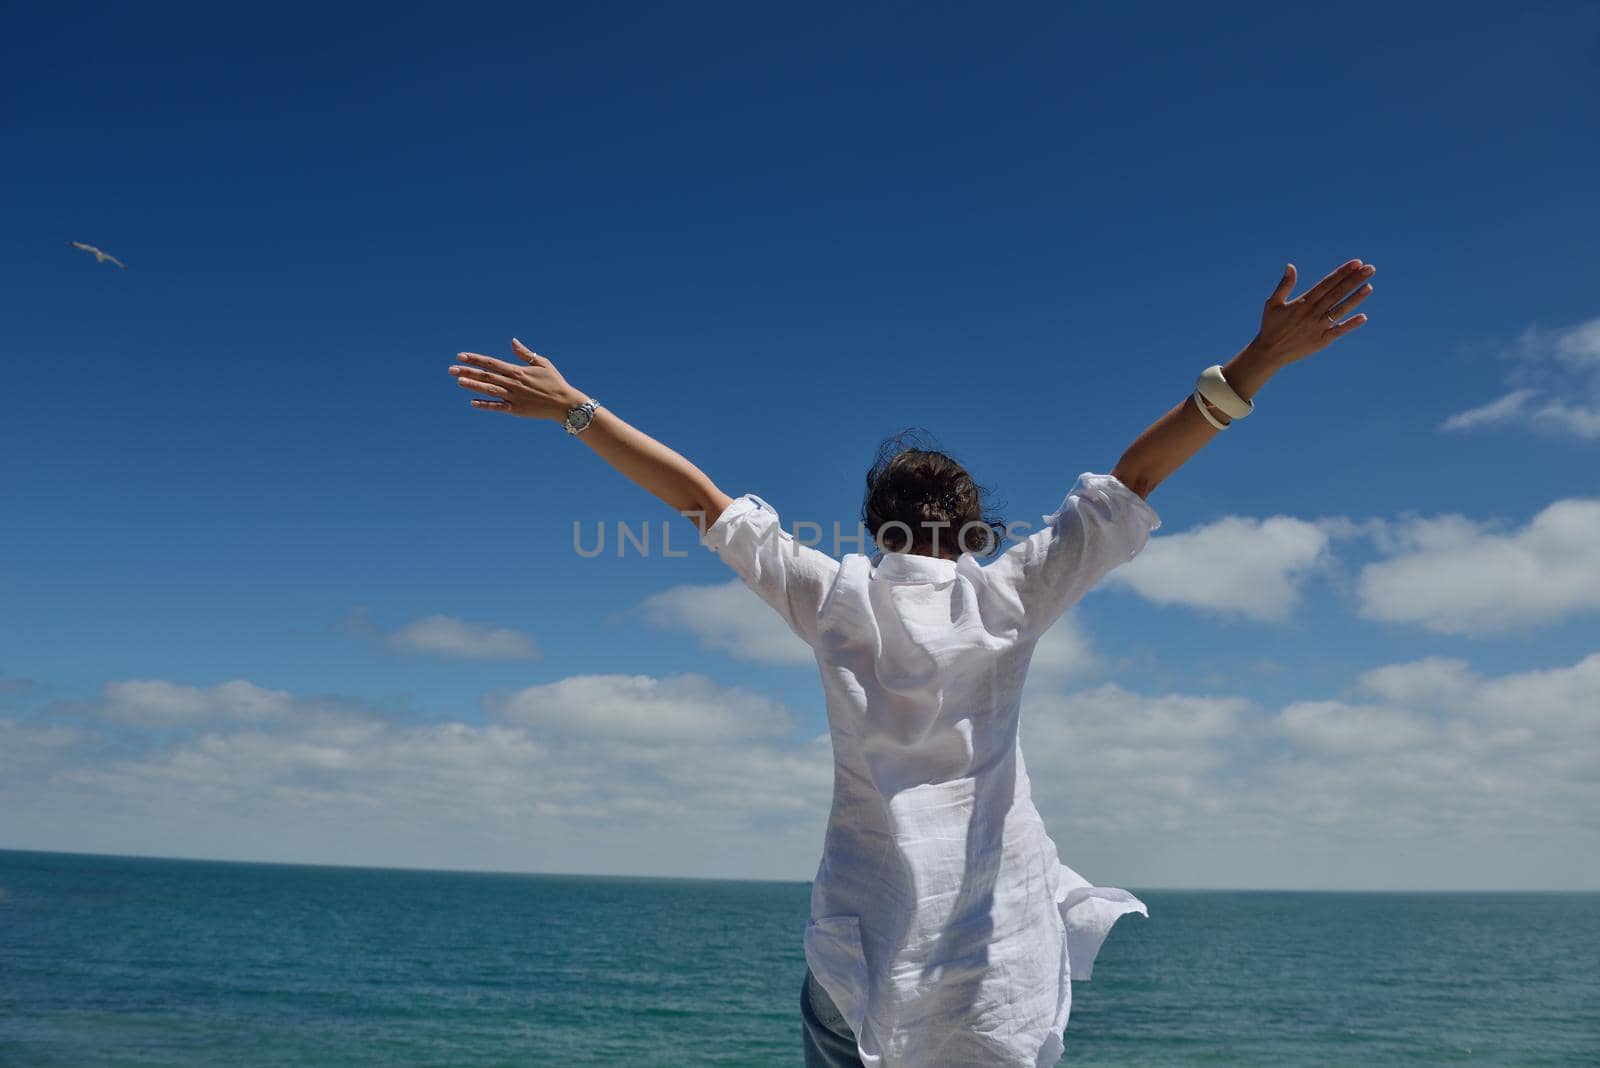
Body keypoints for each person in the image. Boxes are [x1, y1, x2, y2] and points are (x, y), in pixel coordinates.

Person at [447, 258, 1376, 1067]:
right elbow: (1132, 481)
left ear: (873, 525)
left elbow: (699, 498)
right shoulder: (1010, 595)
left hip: (863, 948)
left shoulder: (834, 595)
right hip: (995, 956)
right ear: (975, 529)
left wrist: (573, 407)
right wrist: (1258, 362)